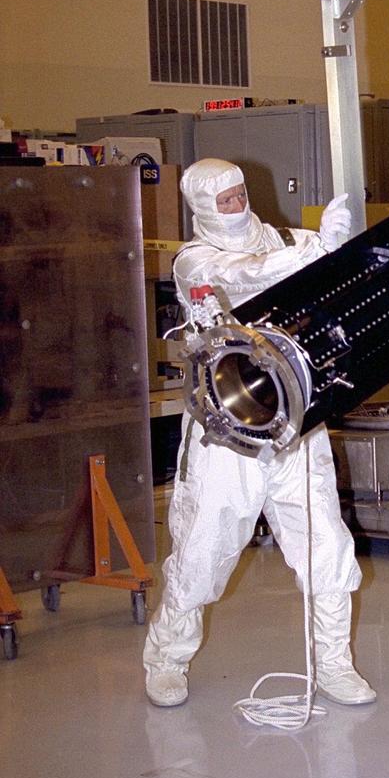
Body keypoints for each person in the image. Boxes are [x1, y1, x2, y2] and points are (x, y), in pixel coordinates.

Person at [144, 158, 375, 710]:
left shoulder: (282, 239)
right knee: (202, 551)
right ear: (202, 207)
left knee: (327, 549)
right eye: (223, 200)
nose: (236, 206)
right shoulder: (194, 261)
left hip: (294, 423)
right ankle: (166, 659)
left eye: (240, 194)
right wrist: (317, 250)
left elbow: (311, 282)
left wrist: (333, 251)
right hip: (227, 431)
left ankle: (335, 664)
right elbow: (248, 274)